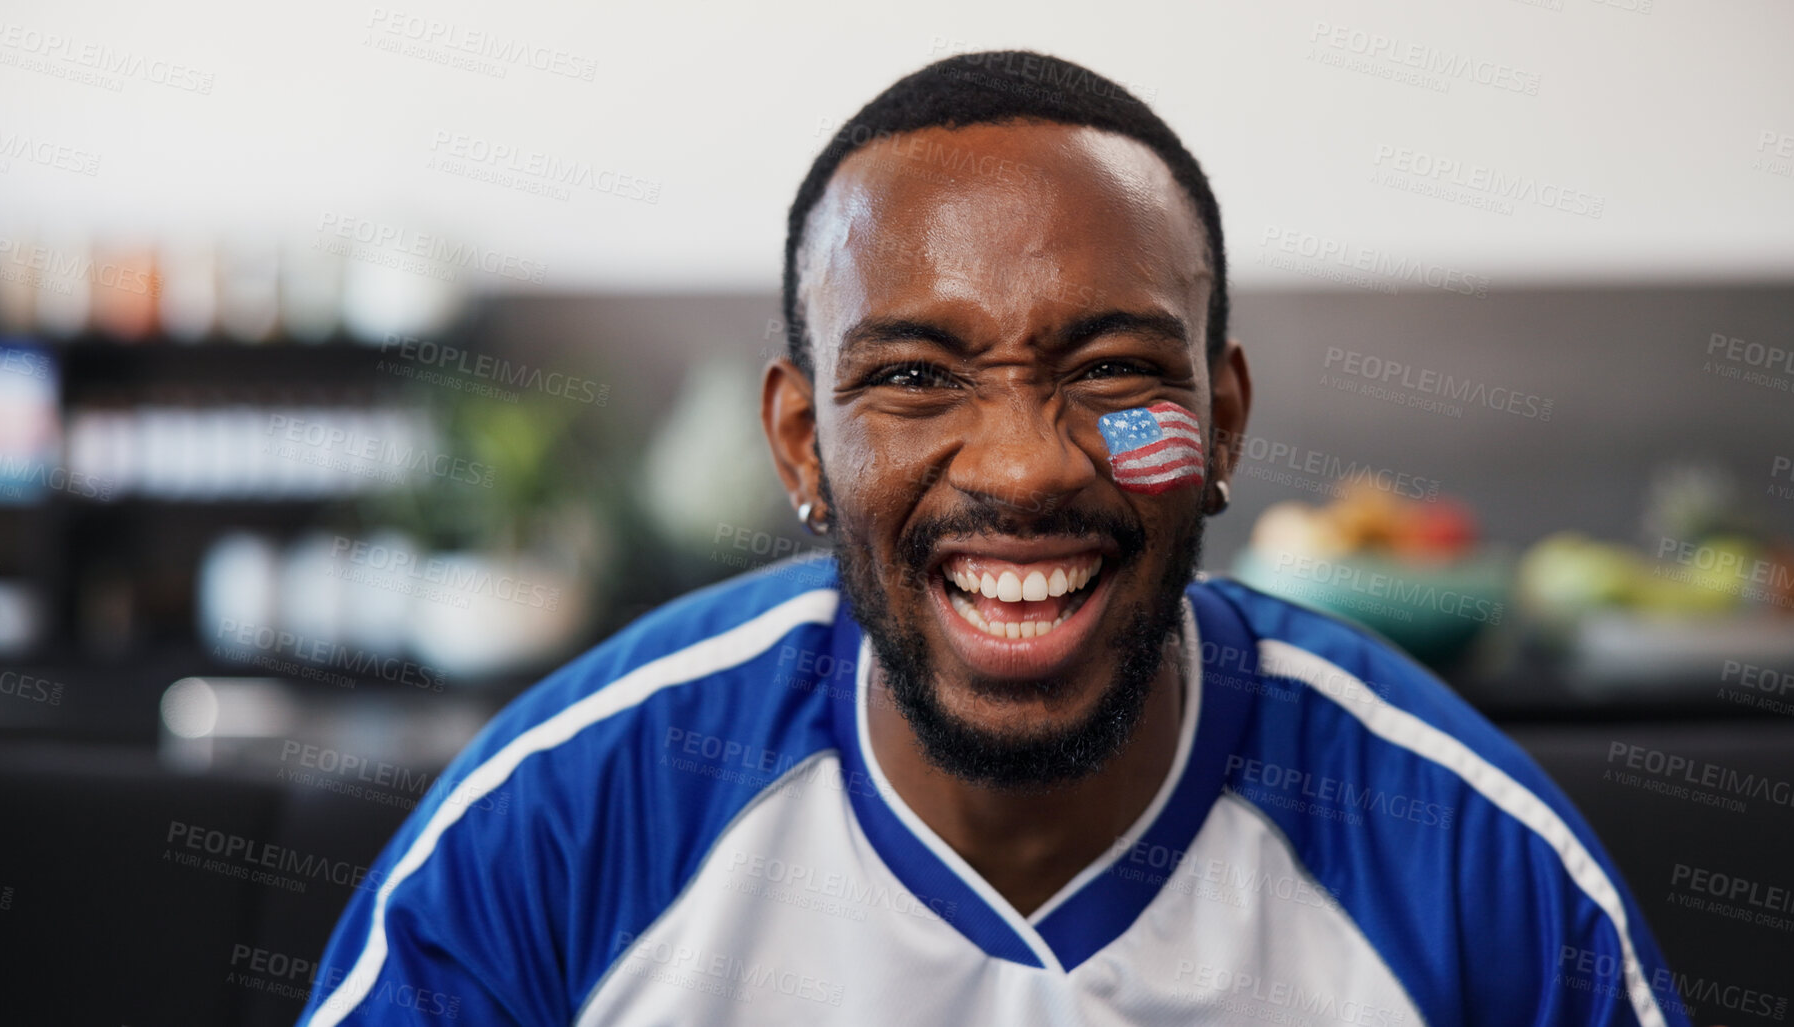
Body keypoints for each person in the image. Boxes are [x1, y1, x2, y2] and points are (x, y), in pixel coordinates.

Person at [299, 51, 1689, 1027]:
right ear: (802, 443)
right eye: (913, 377)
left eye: (1116, 373)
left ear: (1221, 421)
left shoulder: (1470, 859)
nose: (1024, 465)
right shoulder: (554, 832)